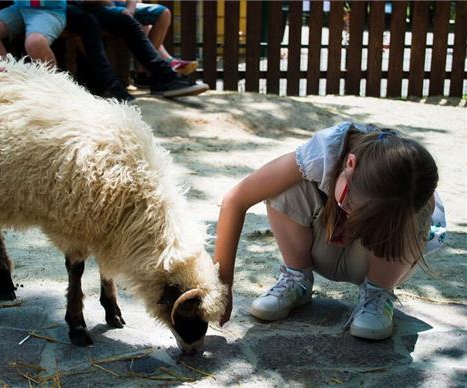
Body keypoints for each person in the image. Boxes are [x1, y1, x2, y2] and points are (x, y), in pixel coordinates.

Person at [214, 121, 446, 340]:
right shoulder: (322, 152)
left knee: (410, 210)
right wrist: (222, 290)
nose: (353, 219)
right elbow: (235, 200)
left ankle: (377, 295)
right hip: (319, 247)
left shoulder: (412, 184)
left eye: (367, 217)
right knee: (283, 185)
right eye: (351, 206)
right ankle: (297, 280)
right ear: (350, 164)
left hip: (379, 260)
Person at [77, 1, 209, 98]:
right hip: (93, 6)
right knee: (127, 21)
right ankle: (165, 76)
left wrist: (130, 10)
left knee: (159, 14)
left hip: (116, 5)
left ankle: (152, 76)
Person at [105, 1, 198, 87]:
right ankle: (166, 64)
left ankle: (145, 73)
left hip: (124, 5)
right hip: (107, 6)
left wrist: (130, 10)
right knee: (151, 22)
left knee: (157, 17)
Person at [0, 0, 66, 66]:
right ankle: (6, 77)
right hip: (19, 8)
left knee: (35, 42)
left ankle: (53, 85)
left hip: (50, 10)